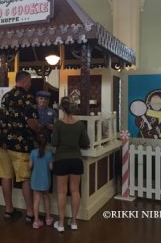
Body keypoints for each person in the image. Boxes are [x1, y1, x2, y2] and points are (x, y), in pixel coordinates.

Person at [0, 71, 42, 223]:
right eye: (29, 82)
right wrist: (41, 129)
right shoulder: (28, 98)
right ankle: (30, 213)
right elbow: (31, 122)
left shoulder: (5, 96)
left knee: (5, 176)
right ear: (25, 80)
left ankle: (9, 210)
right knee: (25, 179)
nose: (30, 85)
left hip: (3, 143)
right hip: (20, 145)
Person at [51, 96, 90, 232]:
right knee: (75, 191)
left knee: (61, 192)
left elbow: (54, 143)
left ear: (61, 108)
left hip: (61, 160)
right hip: (76, 160)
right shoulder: (79, 124)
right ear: (72, 108)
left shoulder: (57, 124)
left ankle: (61, 224)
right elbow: (86, 143)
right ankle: (73, 222)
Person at [29, 135, 53, 229]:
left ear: (35, 143)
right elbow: (51, 168)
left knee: (36, 200)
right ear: (47, 143)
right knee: (46, 198)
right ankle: (48, 218)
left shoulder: (33, 153)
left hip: (35, 180)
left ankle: (36, 221)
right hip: (45, 180)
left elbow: (30, 166)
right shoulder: (49, 154)